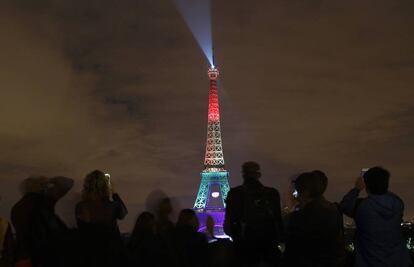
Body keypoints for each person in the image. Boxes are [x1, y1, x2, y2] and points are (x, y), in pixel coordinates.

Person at [340, 166, 411, 267]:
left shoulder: (361, 207)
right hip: (399, 261)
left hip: (369, 262)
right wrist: (381, 186)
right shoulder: (398, 204)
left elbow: (345, 205)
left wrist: (357, 188)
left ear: (367, 186)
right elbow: (391, 196)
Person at [224, 161, 283, 266]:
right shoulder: (272, 193)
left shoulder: (234, 194)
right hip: (268, 248)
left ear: (243, 174)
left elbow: (228, 226)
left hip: (244, 249)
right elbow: (279, 223)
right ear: (259, 175)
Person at [284, 171, 346, 267]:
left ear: (304, 192)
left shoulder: (299, 217)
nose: (294, 195)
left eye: (296, 191)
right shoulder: (334, 210)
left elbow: (292, 250)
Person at [12, 176, 73, 267]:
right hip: (40, 256)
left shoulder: (18, 206)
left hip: (22, 256)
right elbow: (53, 229)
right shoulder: (41, 205)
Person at [75, 170, 128, 267]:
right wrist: (114, 193)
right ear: (105, 187)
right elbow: (123, 213)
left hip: (90, 254)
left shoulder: (81, 206)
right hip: (112, 255)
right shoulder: (112, 206)